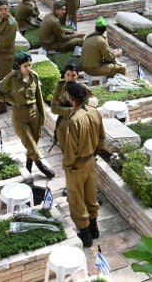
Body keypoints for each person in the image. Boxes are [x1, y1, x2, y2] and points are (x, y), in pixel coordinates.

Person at [0, 51, 55, 179]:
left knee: (33, 142)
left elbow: (39, 97)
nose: (28, 68)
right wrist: (9, 100)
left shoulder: (34, 76)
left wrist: (42, 116)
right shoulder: (12, 78)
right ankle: (41, 165)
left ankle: (28, 168)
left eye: (30, 65)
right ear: (19, 66)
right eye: (25, 66)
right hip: (20, 115)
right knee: (30, 144)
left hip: (34, 113)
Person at [62, 81, 104, 247]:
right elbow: (102, 138)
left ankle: (85, 235)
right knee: (90, 196)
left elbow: (70, 150)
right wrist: (94, 154)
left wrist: (67, 165)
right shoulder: (94, 112)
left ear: (71, 98)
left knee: (76, 199)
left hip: (77, 166)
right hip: (91, 161)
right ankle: (94, 229)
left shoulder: (74, 120)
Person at [51, 64, 92, 151]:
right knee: (65, 149)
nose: (70, 78)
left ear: (77, 76)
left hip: (77, 121)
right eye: (67, 75)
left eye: (73, 75)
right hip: (62, 121)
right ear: (64, 75)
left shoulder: (82, 89)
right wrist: (71, 110)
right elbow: (53, 109)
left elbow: (85, 108)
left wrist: (62, 108)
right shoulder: (60, 86)